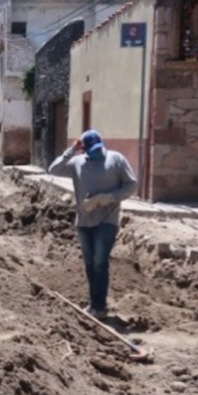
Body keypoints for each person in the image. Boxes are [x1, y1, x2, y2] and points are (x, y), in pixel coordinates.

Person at [47, 129, 138, 318]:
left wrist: (108, 197)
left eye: (99, 148)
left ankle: (100, 306)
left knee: (99, 261)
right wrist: (71, 150)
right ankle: (94, 302)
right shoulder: (78, 162)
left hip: (107, 219)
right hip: (84, 220)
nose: (96, 152)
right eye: (92, 149)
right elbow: (53, 169)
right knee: (90, 263)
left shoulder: (116, 159)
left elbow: (131, 185)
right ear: (85, 149)